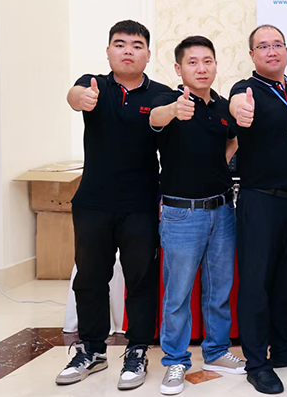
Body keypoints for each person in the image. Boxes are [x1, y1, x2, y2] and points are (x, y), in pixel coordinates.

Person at [56, 20, 172, 390]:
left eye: (136, 46)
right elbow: (74, 95)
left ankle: (137, 350)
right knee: (90, 278)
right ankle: (91, 350)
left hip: (141, 204)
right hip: (93, 202)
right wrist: (80, 98)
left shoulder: (161, 94)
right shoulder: (94, 85)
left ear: (148, 54)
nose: (127, 51)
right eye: (120, 44)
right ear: (108, 51)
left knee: (141, 279)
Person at [229, 25, 287, 395]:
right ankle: (257, 362)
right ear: (252, 54)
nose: (271, 51)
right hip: (260, 202)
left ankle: (284, 348)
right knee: (256, 285)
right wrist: (239, 109)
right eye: (263, 46)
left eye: (277, 44)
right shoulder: (246, 90)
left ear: (286, 50)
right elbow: (236, 106)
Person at [149, 36, 244, 395]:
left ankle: (216, 352)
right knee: (178, 294)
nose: (201, 68)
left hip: (223, 210)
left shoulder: (222, 106)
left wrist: (219, 163)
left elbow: (233, 139)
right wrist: (174, 110)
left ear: (216, 65)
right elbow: (155, 119)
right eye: (192, 62)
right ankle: (175, 360)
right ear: (178, 68)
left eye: (207, 61)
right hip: (181, 214)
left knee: (219, 289)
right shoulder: (167, 100)